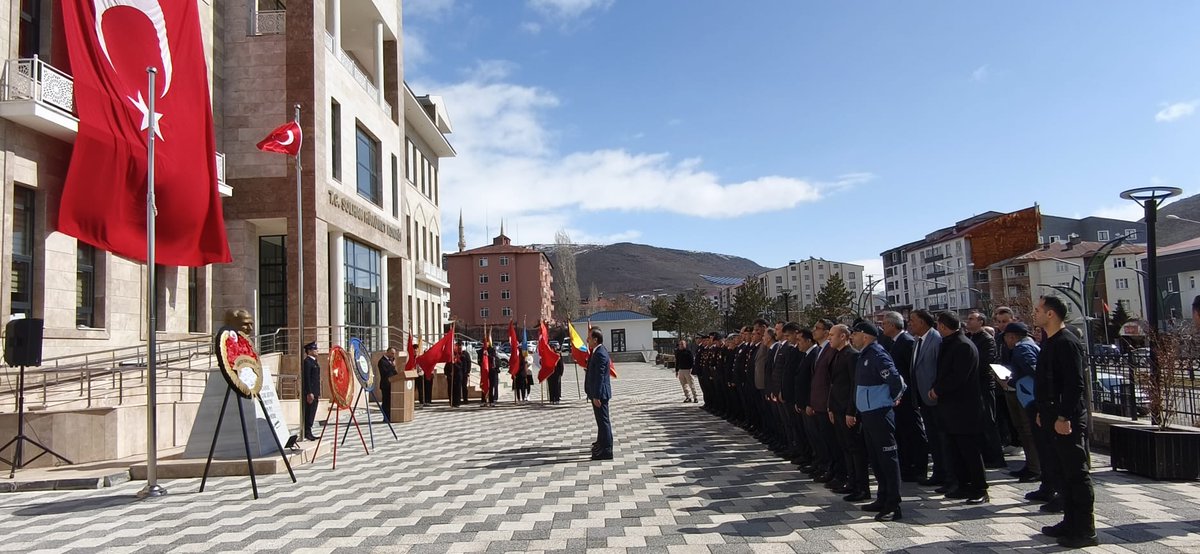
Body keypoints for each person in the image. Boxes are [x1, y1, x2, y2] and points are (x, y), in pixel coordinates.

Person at [1034, 296, 1098, 548]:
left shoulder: (1067, 342)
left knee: (1076, 474)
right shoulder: (1049, 342)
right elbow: (1048, 381)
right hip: (1051, 414)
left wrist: (1064, 416)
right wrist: (1043, 411)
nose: (1034, 314)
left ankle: (1085, 529)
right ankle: (1069, 521)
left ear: (1051, 314)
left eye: (1038, 310)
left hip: (1066, 418)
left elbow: (1075, 385)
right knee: (1062, 472)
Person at [851, 321, 906, 522]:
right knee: (876, 459)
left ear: (865, 336)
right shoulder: (864, 354)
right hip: (868, 413)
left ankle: (893, 504)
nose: (852, 338)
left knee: (887, 459)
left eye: (855, 334)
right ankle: (882, 498)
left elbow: (895, 380)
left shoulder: (877, 354)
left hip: (880, 413)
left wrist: (890, 400)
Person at [931, 311, 987, 505]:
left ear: (943, 327)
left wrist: (938, 389)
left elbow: (958, 376)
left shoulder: (963, 345)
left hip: (965, 408)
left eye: (939, 325)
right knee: (955, 450)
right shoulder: (949, 344)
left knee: (969, 450)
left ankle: (979, 487)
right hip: (951, 408)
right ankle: (962, 484)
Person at [879, 311, 926, 482]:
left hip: (907, 396)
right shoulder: (892, 342)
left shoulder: (906, 342)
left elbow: (911, 370)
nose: (882, 327)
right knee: (902, 432)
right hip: (897, 396)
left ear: (892, 325)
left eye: (884, 323)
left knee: (913, 431)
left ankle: (918, 466)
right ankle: (906, 465)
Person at [828, 324, 867, 501]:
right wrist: (830, 406)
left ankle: (861, 487)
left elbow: (854, 385)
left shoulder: (852, 355)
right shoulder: (837, 354)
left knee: (855, 448)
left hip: (848, 410)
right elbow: (834, 384)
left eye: (832, 335)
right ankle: (851, 482)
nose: (829, 338)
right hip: (837, 408)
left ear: (843, 336)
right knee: (845, 446)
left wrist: (852, 411)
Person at [965, 311, 1006, 469]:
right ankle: (984, 454)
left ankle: (996, 457)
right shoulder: (969, 337)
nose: (968, 321)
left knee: (989, 421)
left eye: (971, 319)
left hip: (984, 385)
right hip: (972, 387)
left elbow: (985, 362)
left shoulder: (986, 339)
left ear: (981, 322)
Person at [909, 310, 944, 487]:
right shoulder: (917, 341)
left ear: (923, 322)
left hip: (934, 397)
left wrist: (936, 388)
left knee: (940, 437)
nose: (910, 324)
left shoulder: (936, 339)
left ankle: (943, 472)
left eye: (913, 321)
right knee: (932, 436)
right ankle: (938, 471)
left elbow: (940, 367)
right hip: (922, 397)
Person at [585, 328, 614, 460]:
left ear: (595, 339)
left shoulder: (600, 353)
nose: (587, 340)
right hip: (596, 393)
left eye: (589, 338)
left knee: (603, 421)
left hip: (600, 394)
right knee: (600, 421)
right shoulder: (596, 352)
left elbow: (600, 377)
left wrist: (596, 395)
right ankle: (601, 444)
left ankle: (607, 450)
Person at [301, 341, 320, 441]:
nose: (317, 351)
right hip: (311, 392)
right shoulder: (307, 362)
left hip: (315, 391)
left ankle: (309, 431)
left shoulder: (314, 361)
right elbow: (307, 378)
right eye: (315, 349)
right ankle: (307, 432)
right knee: (309, 412)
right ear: (309, 351)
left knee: (312, 412)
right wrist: (309, 392)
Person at [378, 347, 398, 421]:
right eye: (392, 353)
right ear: (387, 352)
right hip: (385, 385)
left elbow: (394, 373)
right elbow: (385, 373)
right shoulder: (382, 361)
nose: (393, 355)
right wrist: (392, 366)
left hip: (392, 384)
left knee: (390, 401)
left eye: (394, 353)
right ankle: (386, 417)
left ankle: (390, 416)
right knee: (386, 402)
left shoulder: (391, 361)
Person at [455, 341, 472, 406]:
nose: (459, 347)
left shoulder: (465, 354)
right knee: (458, 387)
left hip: (464, 373)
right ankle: (458, 400)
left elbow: (469, 363)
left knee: (464, 387)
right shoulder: (456, 354)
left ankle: (465, 399)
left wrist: (468, 371)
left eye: (460, 346)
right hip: (458, 373)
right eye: (458, 346)